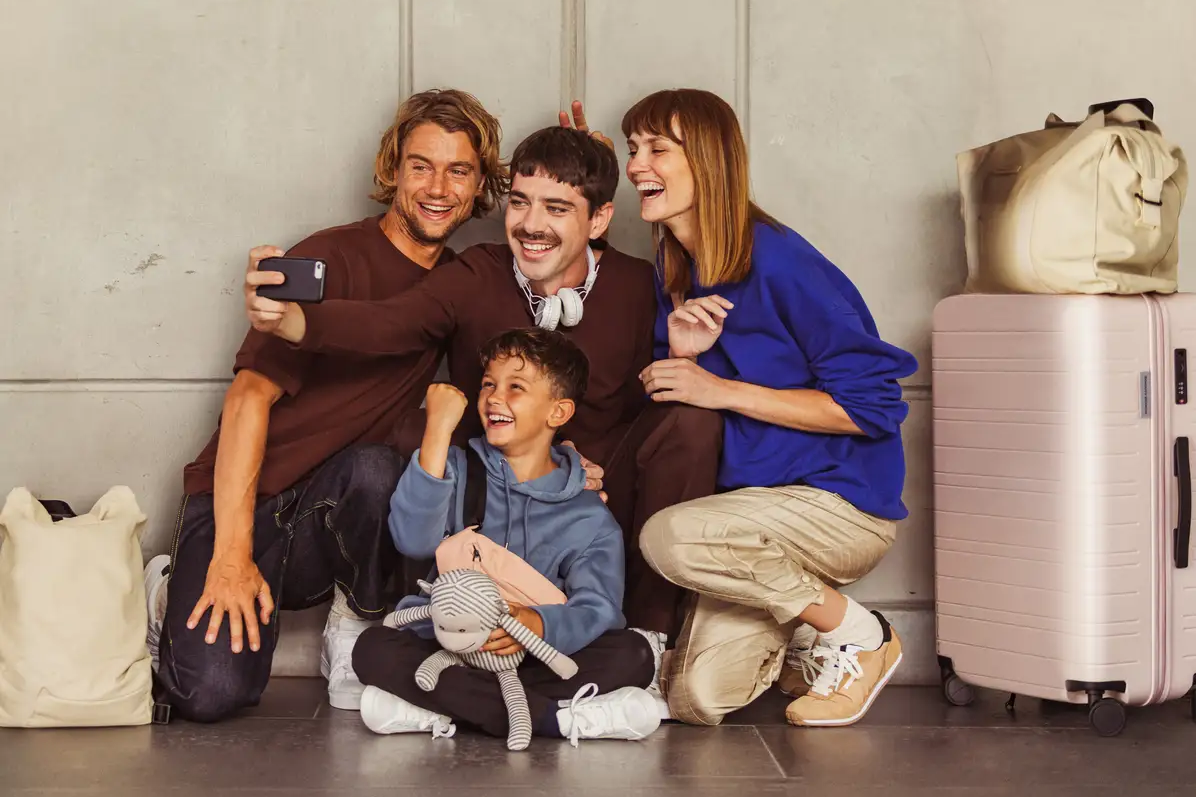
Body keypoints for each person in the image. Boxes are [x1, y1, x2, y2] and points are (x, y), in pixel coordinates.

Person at [245, 125, 723, 649]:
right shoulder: (477, 273)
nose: (532, 225)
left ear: (600, 219)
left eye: (558, 209)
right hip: (493, 492)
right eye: (520, 203)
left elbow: (641, 411)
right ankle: (424, 625)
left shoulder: (635, 284)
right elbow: (390, 323)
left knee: (691, 422)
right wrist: (294, 323)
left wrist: (677, 364)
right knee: (416, 430)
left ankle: (648, 639)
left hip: (596, 491)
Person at [152, 89, 505, 722]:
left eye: (460, 170)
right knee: (210, 695)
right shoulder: (328, 256)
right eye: (421, 165)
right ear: (392, 169)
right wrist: (231, 554)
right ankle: (167, 593)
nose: (438, 187)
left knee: (384, 467)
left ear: (481, 184)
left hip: (332, 508)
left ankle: (359, 622)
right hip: (246, 503)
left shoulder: (458, 285)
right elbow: (245, 402)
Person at [626, 88, 918, 729]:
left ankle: (863, 635)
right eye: (632, 150)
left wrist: (720, 390)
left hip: (838, 508)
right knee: (695, 699)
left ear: (708, 159)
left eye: (657, 149)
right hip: (748, 525)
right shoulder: (676, 267)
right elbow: (672, 396)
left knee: (668, 535)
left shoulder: (780, 260)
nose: (636, 166)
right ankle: (809, 640)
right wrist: (687, 360)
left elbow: (871, 407)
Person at [352, 329, 661, 744]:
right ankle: (555, 720)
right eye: (488, 385)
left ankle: (438, 708)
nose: (494, 397)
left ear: (558, 412)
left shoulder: (588, 513)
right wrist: (437, 431)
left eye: (516, 388)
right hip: (448, 647)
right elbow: (412, 540)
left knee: (634, 655)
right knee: (373, 648)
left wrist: (536, 622)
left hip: (533, 655)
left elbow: (599, 607)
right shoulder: (457, 469)